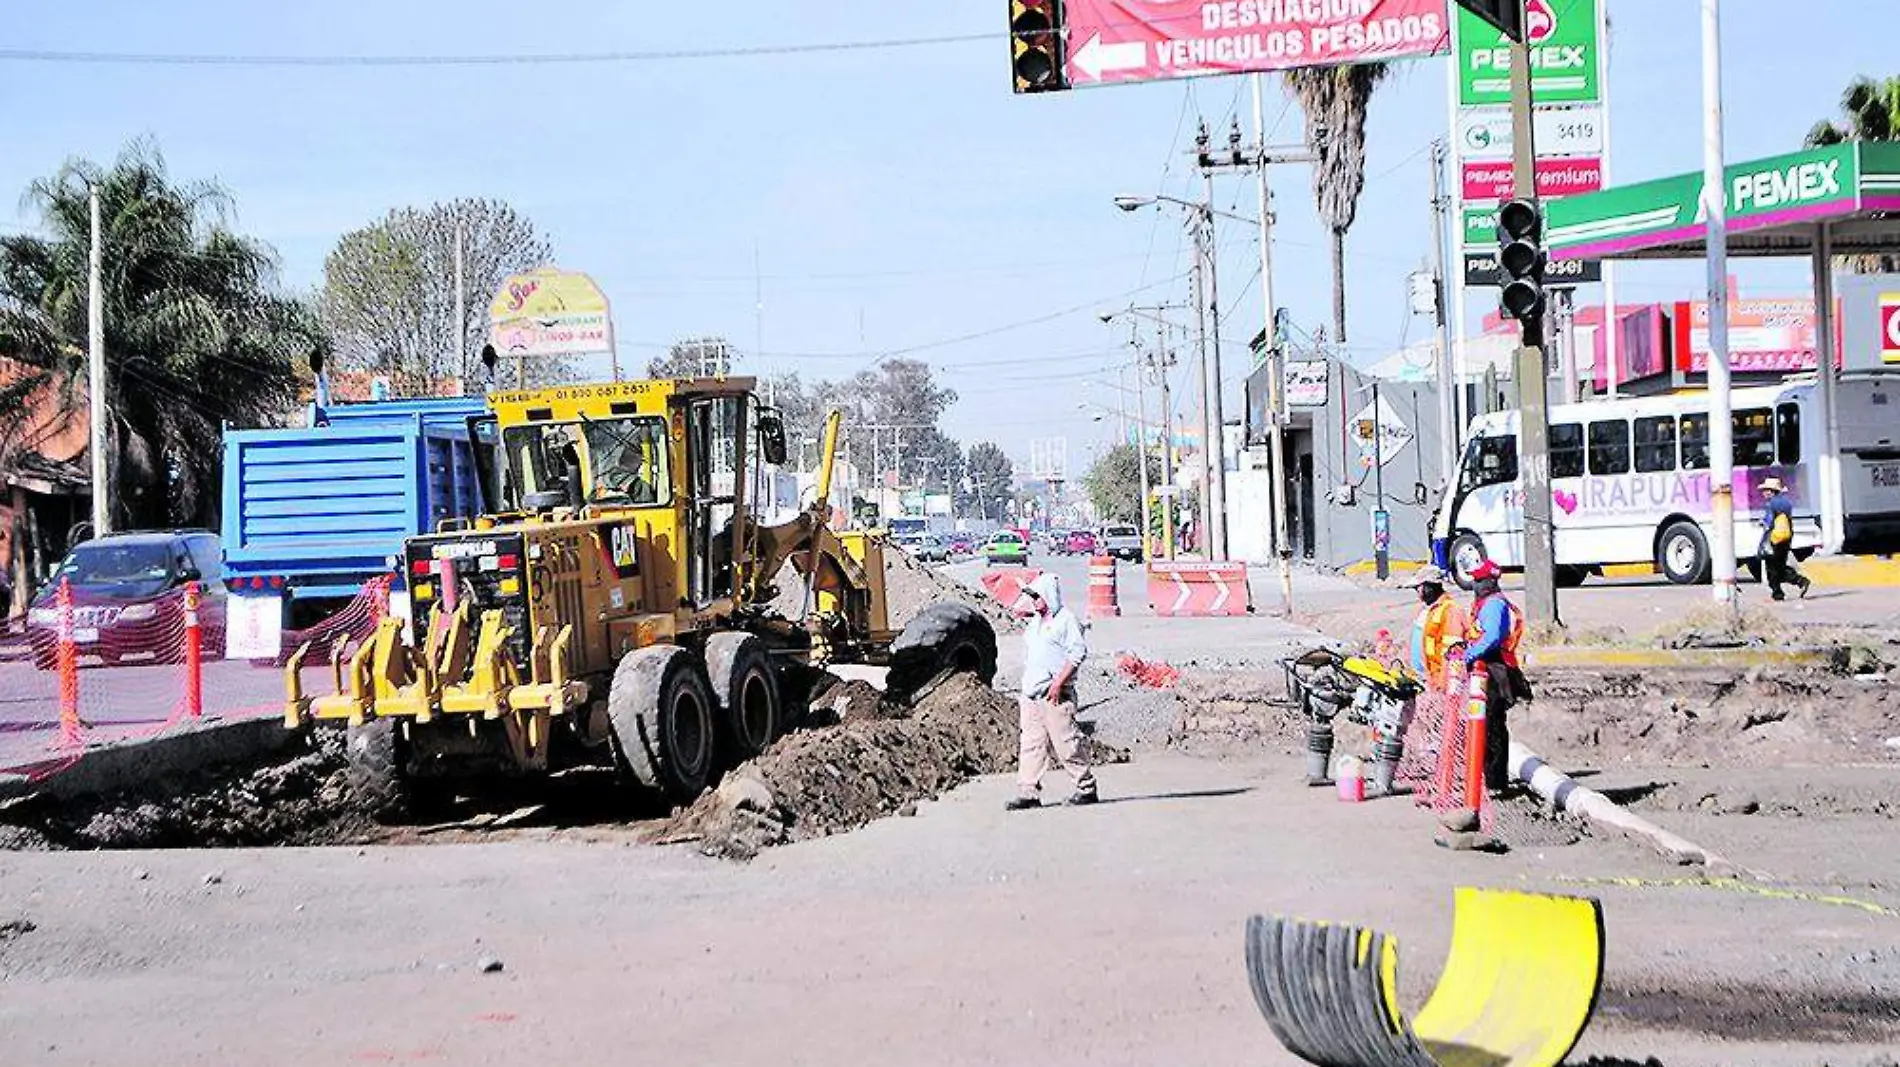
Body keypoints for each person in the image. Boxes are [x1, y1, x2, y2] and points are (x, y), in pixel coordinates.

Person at [1006, 573, 1097, 810]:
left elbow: (1077, 653)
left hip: (1054, 693)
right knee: (1031, 744)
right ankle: (1028, 792)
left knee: (1066, 742)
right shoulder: (1035, 623)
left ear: (1049, 595)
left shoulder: (1066, 620)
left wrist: (1058, 683)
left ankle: (1085, 787)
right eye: (1031, 597)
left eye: (1037, 596)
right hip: (1032, 694)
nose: (1034, 601)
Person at [1462, 559, 1526, 794]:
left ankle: (1496, 781)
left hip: (1495, 671)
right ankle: (1486, 777)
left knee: (1492, 727)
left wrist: (1466, 656)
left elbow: (1491, 639)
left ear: (1490, 581)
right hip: (1487, 669)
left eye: (1478, 580)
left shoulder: (1493, 605)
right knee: (1485, 724)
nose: (1475, 585)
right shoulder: (1486, 603)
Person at [1405, 566, 1468, 694]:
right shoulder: (1426, 610)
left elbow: (1453, 651)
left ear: (1429, 586)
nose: (1417, 591)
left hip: (1443, 681)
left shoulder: (1451, 610)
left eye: (1419, 587)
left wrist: (1443, 681)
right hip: (1426, 678)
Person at [1758, 477, 1812, 601]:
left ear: (1772, 491)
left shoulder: (1771, 504)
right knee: (1780, 565)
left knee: (1771, 567)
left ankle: (1778, 593)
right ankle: (1800, 582)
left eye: (1766, 490)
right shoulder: (1786, 502)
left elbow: (1769, 522)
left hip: (1775, 538)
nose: (1764, 493)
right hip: (1786, 538)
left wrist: (1763, 523)